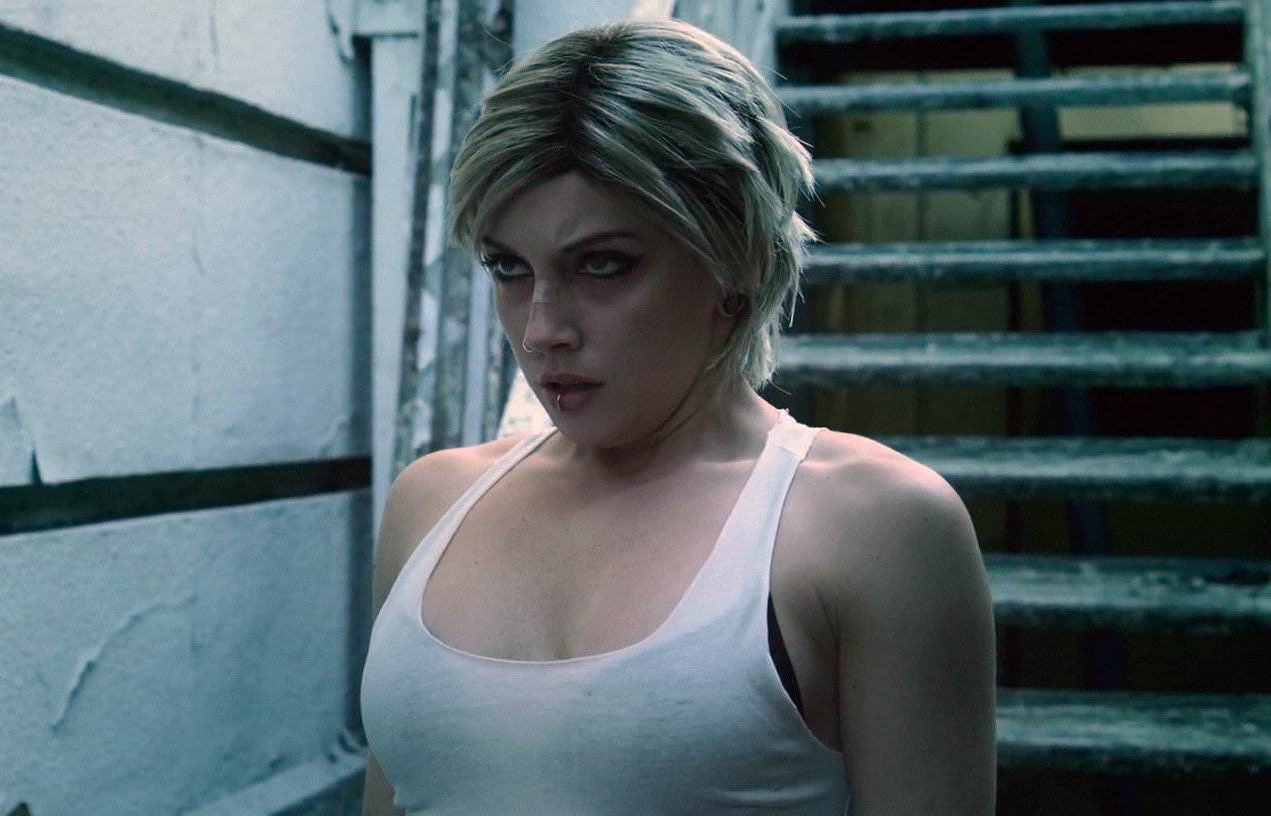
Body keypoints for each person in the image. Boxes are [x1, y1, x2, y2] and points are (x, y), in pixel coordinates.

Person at [357, 17, 995, 815]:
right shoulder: (430, 501)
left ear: (737, 261)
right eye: (509, 268)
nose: (542, 328)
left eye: (603, 265)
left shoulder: (871, 527)